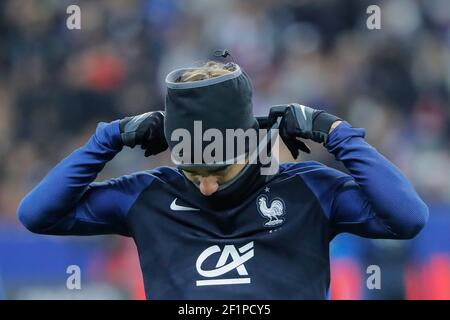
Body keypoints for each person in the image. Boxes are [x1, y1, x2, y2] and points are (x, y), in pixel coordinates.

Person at [17, 61, 428, 299]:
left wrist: (336, 132)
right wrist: (110, 137)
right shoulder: (148, 194)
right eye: (193, 174)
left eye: (219, 172)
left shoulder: (307, 188)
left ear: (251, 151)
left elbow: (407, 217)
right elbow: (37, 213)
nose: (207, 187)